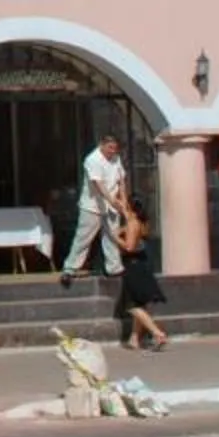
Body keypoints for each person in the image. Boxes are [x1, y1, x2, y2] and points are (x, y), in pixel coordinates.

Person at [61, 133, 129, 284]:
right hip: (92, 206)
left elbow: (121, 179)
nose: (112, 151)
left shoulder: (116, 159)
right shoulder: (92, 160)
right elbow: (98, 184)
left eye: (115, 149)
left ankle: (114, 268)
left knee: (112, 236)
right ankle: (70, 269)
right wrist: (112, 200)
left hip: (111, 206)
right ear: (102, 145)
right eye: (110, 148)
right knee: (84, 238)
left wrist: (123, 200)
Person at [112, 199, 170, 351]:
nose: (122, 208)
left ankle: (157, 333)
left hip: (133, 267)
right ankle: (134, 339)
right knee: (139, 303)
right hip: (141, 265)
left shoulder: (133, 224)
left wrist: (115, 238)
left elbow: (129, 247)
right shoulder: (140, 223)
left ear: (131, 208)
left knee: (131, 306)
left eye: (125, 206)